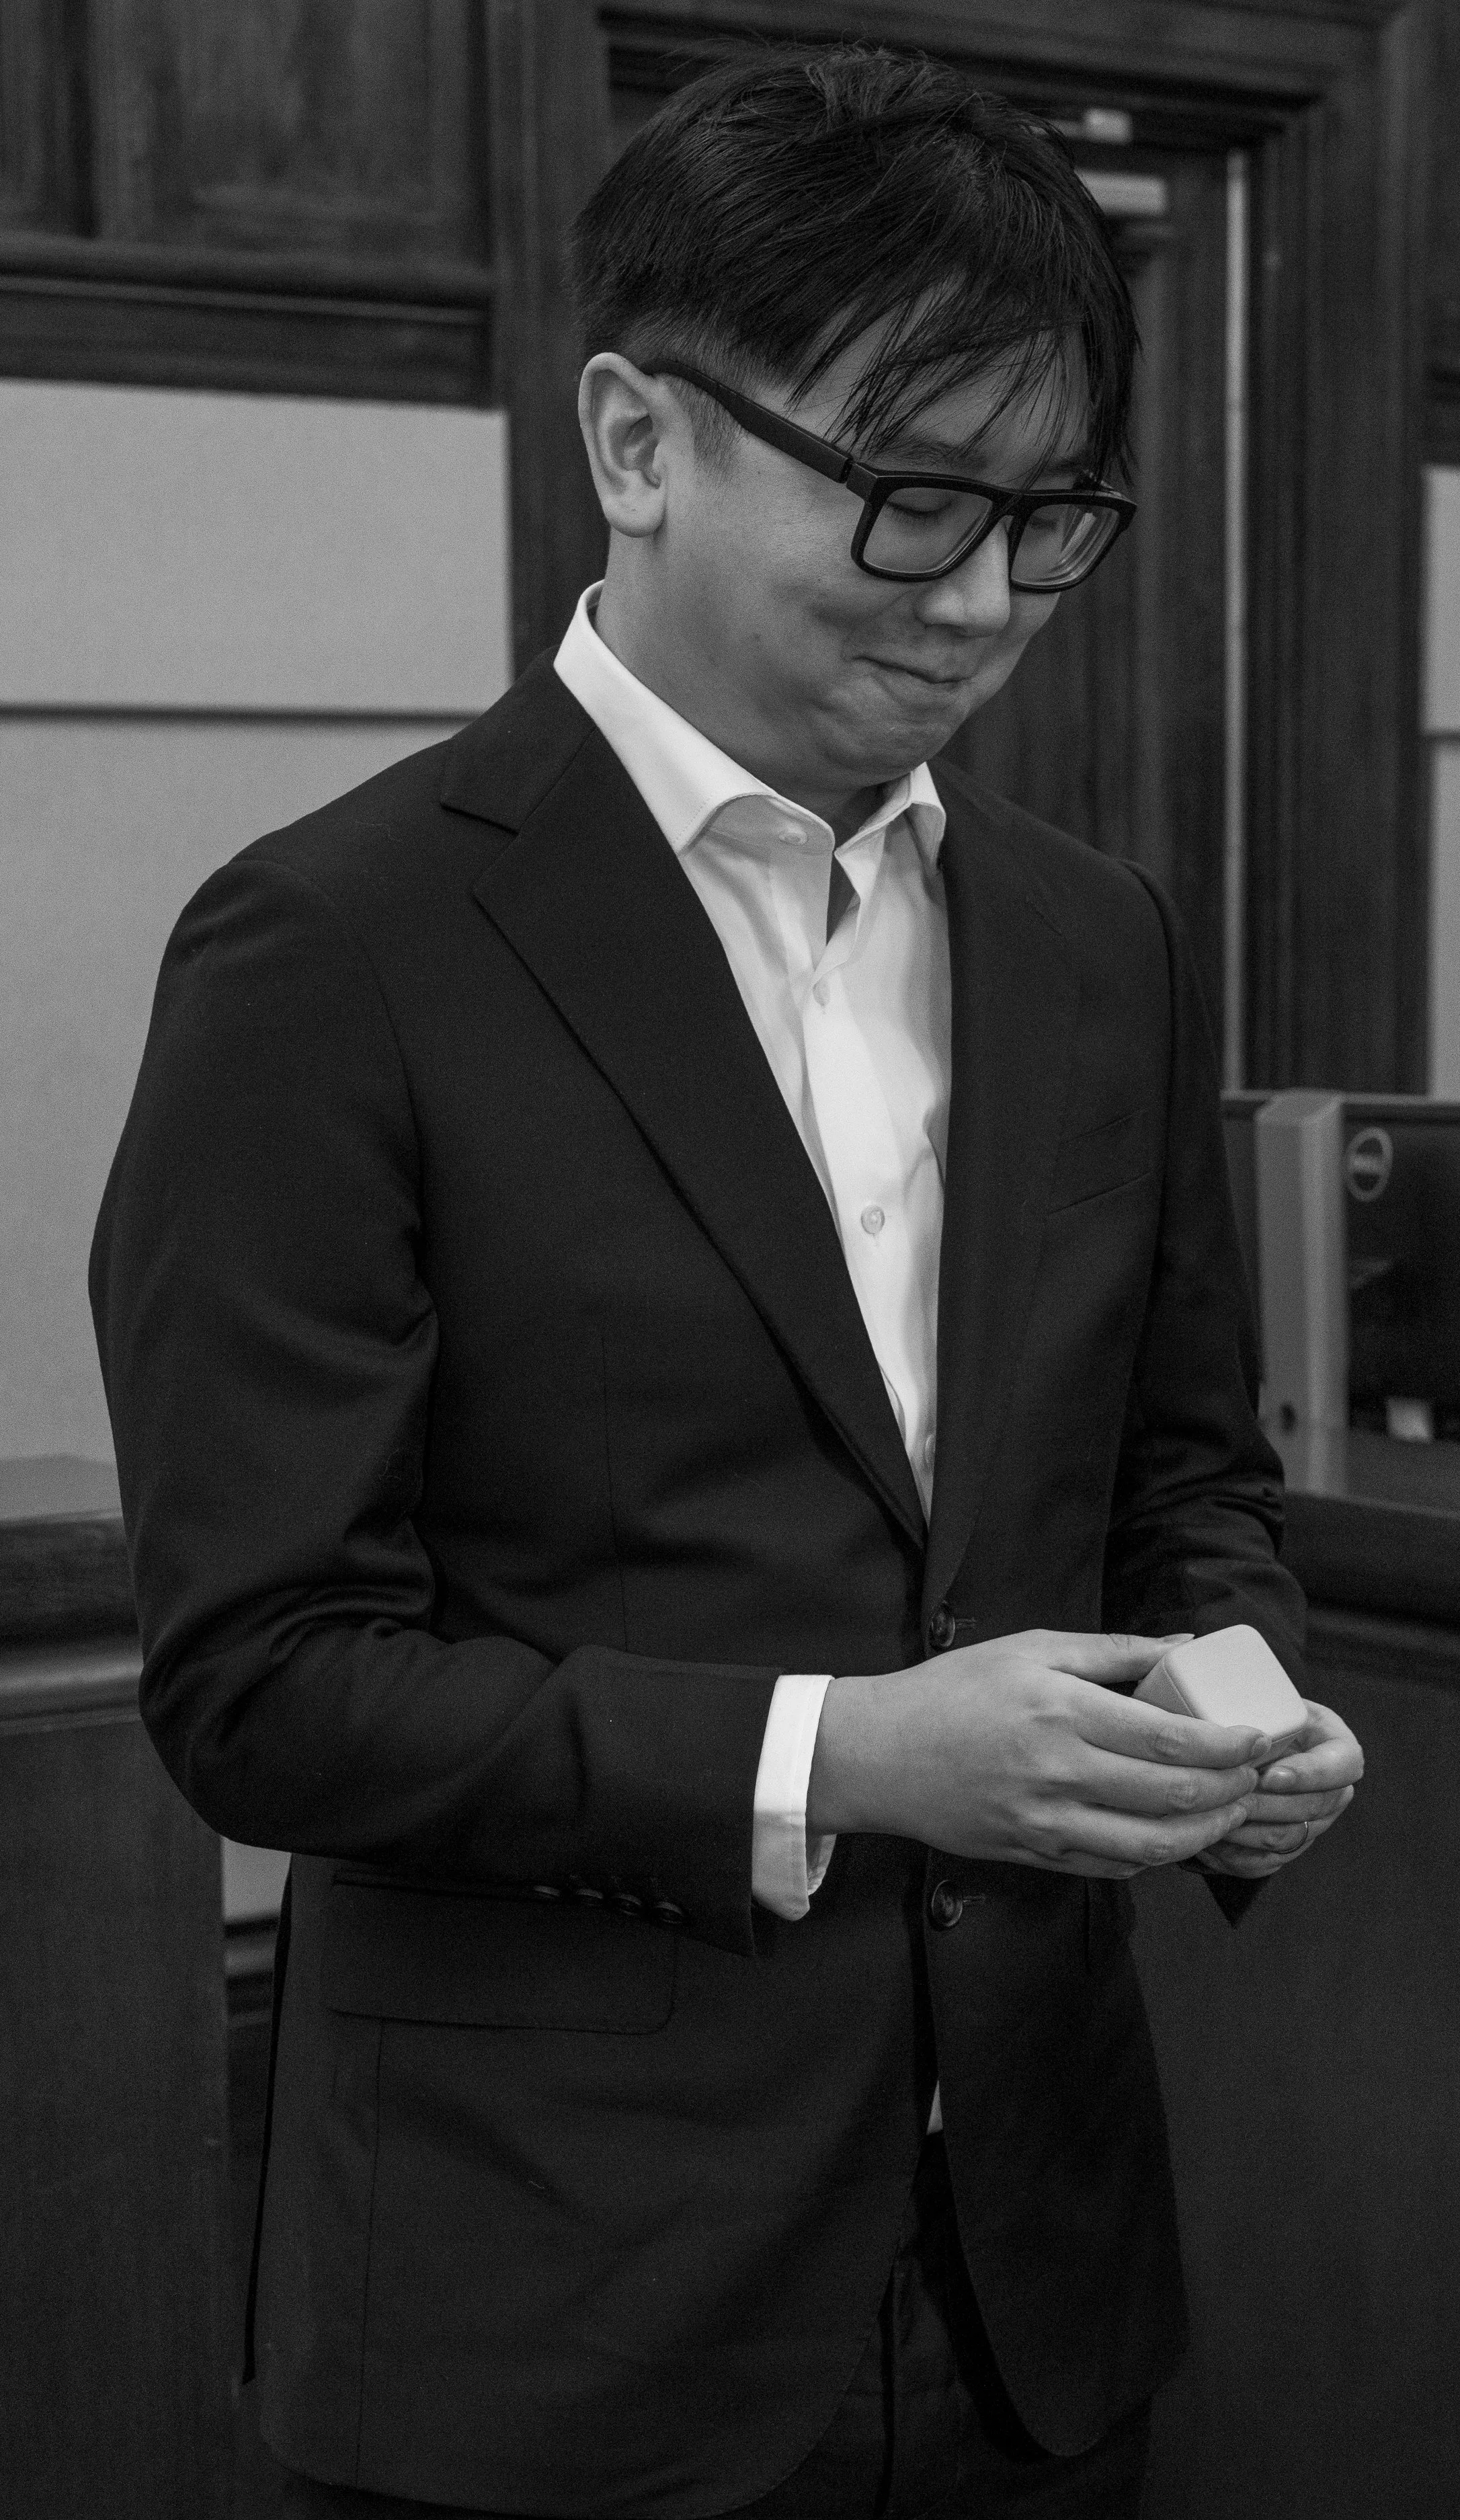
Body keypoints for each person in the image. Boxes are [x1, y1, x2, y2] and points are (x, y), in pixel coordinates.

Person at [91, 44, 1362, 2520]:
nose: (984, 598)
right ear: (637, 440)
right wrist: (840, 1753)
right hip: (552, 2302)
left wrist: (1237, 1693)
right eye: (906, 499)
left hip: (1029, 2279)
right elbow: (263, 1683)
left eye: (1046, 517)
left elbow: (1176, 1470)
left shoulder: (1093, 942)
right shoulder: (333, 948)